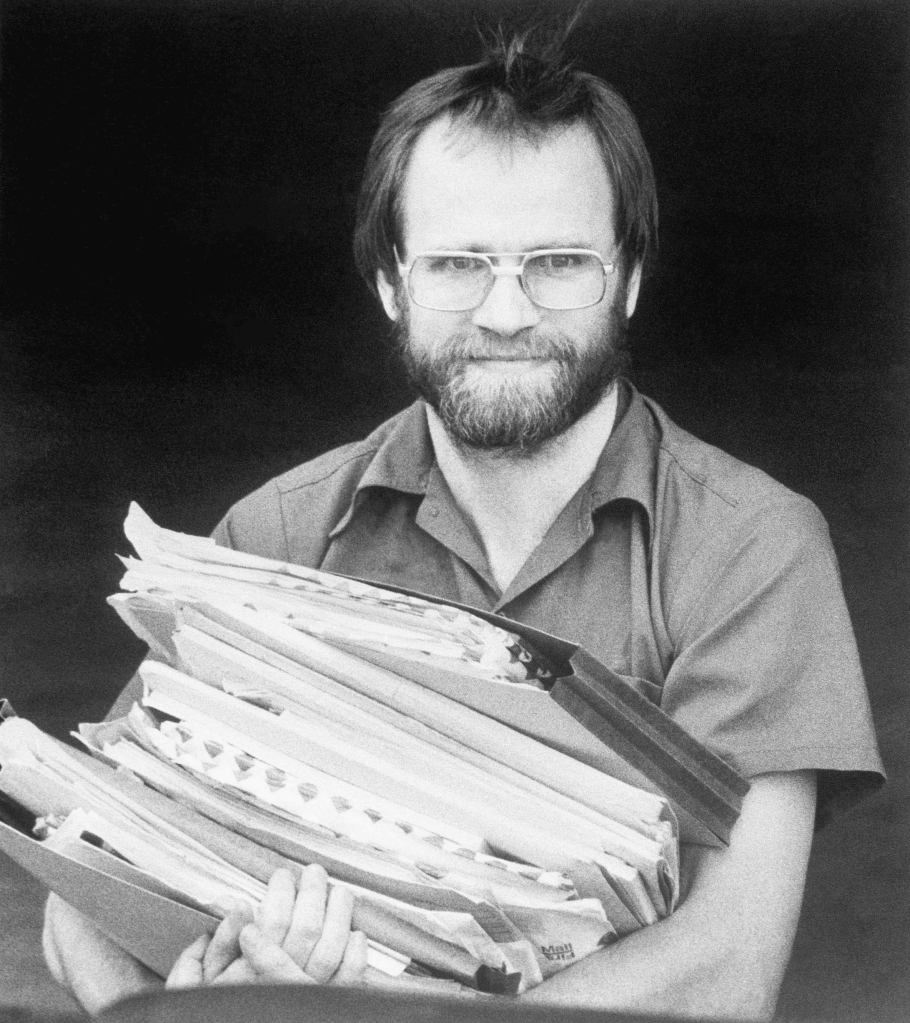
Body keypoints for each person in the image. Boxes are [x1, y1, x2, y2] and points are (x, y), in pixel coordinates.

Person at [43, 26, 883, 1020]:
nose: (505, 313)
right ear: (393, 284)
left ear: (631, 278)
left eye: (558, 261)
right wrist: (175, 1009)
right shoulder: (271, 539)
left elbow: (725, 968)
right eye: (455, 265)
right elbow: (84, 888)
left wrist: (381, 1012)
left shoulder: (752, 547)